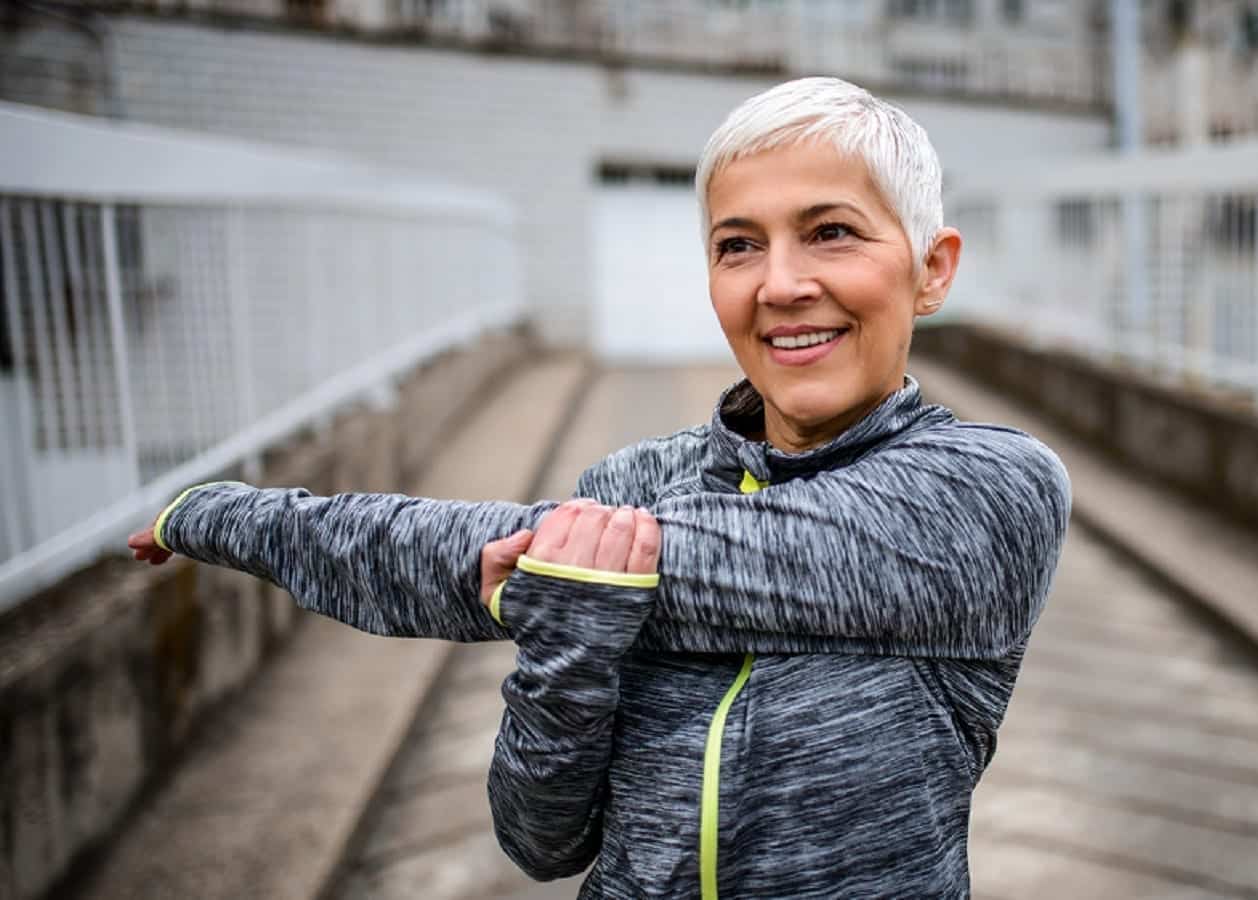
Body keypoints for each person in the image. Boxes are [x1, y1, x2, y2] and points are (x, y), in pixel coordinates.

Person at [128, 76, 1071, 898]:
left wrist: (546, 576)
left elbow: (545, 558)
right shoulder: (631, 481)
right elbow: (543, 841)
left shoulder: (993, 490)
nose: (780, 284)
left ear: (931, 270)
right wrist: (569, 639)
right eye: (738, 245)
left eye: (831, 233)